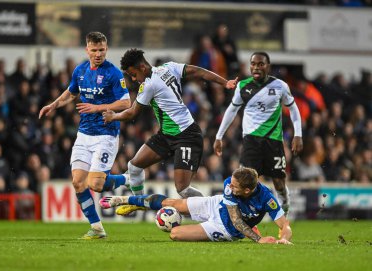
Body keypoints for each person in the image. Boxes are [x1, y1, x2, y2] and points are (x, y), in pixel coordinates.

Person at [102, 48, 238, 214]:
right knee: (134, 166)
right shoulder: (168, 67)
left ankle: (215, 212)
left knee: (183, 189)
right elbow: (198, 71)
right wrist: (224, 82)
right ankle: (139, 202)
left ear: (142, 68)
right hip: (166, 135)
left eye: (133, 74)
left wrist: (113, 116)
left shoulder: (149, 85)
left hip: (187, 136)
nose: (133, 78)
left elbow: (132, 113)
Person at [39, 32, 131, 239]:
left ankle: (127, 179)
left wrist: (99, 107)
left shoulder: (114, 74)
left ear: (106, 49)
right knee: (78, 182)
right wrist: (53, 105)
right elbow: (71, 93)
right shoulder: (80, 70)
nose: (98, 54)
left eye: (102, 50)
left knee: (96, 184)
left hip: (106, 134)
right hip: (84, 135)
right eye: (94, 50)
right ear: (87, 49)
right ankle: (97, 228)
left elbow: (126, 103)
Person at [100, 166, 292, 244]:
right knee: (171, 202)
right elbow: (235, 216)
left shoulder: (267, 199)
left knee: (175, 234)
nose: (229, 187)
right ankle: (127, 200)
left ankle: (148, 207)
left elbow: (285, 225)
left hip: (224, 229)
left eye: (235, 187)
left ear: (248, 190)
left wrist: (283, 238)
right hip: (216, 205)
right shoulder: (229, 184)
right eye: (230, 183)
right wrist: (257, 239)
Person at [213, 52, 303, 214]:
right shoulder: (243, 86)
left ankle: (284, 200)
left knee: (278, 181)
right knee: (244, 181)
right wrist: (219, 136)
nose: (256, 67)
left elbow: (293, 108)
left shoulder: (280, 86)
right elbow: (231, 111)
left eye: (260, 64)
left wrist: (298, 134)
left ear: (268, 66)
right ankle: (244, 215)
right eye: (253, 64)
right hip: (251, 141)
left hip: (273, 140)